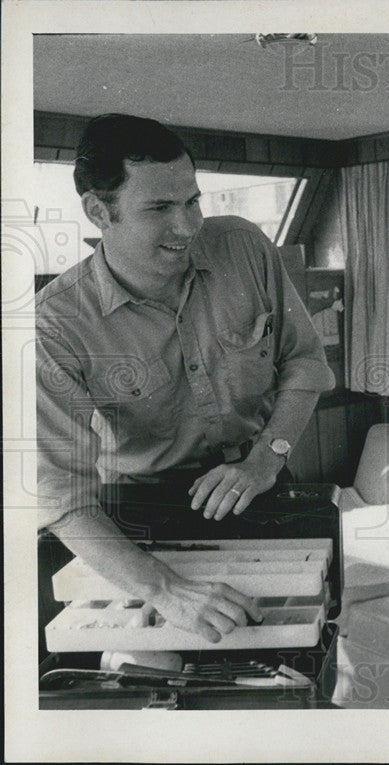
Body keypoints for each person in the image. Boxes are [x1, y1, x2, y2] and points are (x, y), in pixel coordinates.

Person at [35, 114, 336, 642]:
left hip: (263, 482)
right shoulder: (52, 326)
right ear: (98, 211)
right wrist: (163, 591)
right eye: (159, 208)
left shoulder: (243, 246)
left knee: (294, 652)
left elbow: (305, 363)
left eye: (192, 200)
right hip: (140, 518)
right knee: (162, 673)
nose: (188, 225)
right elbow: (61, 499)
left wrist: (268, 457)